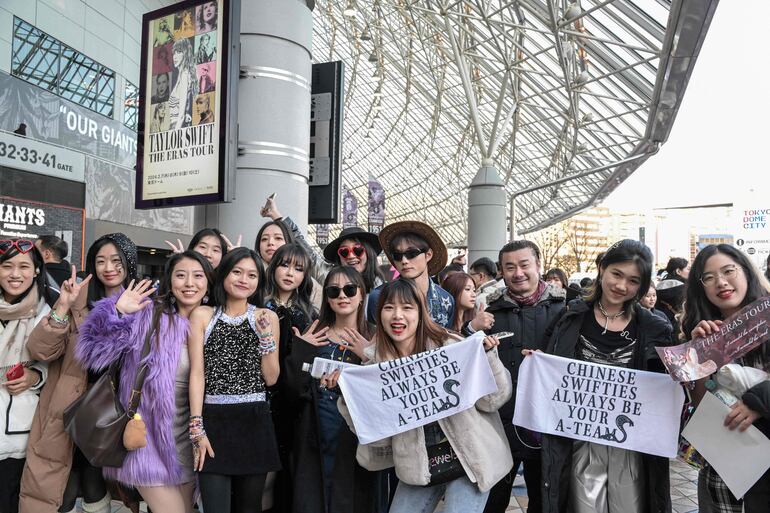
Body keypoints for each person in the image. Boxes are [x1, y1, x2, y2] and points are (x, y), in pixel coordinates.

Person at [336, 279, 513, 513]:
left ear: (421, 313)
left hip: (473, 461)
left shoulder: (450, 346)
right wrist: (351, 398)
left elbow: (494, 400)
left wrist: (489, 358)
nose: (397, 316)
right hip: (418, 467)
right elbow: (378, 438)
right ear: (379, 315)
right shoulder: (375, 367)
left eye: (407, 307)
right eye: (389, 308)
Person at [539, 239, 673, 513]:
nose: (622, 286)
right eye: (616, 274)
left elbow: (668, 385)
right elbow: (550, 367)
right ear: (602, 269)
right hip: (580, 440)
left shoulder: (654, 328)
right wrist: (538, 363)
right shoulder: (570, 317)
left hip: (632, 444)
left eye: (634, 280)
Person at [76, 251, 215, 513]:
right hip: (145, 440)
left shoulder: (214, 322)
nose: (189, 283)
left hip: (189, 443)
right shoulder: (148, 314)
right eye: (180, 275)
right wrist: (116, 312)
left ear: (208, 282)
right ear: (169, 281)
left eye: (198, 276)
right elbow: (91, 353)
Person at [19, 233, 138, 513]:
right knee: (61, 486)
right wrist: (62, 305)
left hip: (116, 415)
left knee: (98, 485)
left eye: (116, 260)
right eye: (100, 261)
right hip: (70, 411)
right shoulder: (77, 298)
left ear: (129, 263)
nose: (108, 267)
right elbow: (41, 351)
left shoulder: (145, 302)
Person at [188, 247, 281, 513]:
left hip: (254, 421)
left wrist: (265, 337)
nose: (244, 279)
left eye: (252, 275)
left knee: (249, 508)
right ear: (224, 274)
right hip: (214, 421)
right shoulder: (203, 315)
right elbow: (197, 373)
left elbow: (271, 378)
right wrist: (197, 427)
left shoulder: (267, 316)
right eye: (237, 272)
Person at [681, 244, 770, 513]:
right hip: (724, 468)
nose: (721, 282)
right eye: (709, 277)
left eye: (728, 270)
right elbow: (702, 405)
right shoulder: (702, 334)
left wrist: (759, 401)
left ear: (746, 272)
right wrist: (698, 356)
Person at [482, 240, 566, 513]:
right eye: (510, 267)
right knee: (492, 501)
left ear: (538, 265)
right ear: (501, 271)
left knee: (544, 502)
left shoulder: (564, 310)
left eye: (524, 265)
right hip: (497, 426)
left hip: (545, 426)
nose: (518, 273)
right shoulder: (487, 313)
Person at [289, 266, 377, 512]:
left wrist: (369, 356)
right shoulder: (315, 334)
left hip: (356, 435)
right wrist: (301, 349)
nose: (342, 296)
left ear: (361, 295)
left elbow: (385, 389)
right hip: (314, 429)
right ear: (326, 297)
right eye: (334, 290)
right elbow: (293, 388)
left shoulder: (375, 337)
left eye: (350, 289)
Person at [263, 243, 316, 512]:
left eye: (298, 269)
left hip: (293, 403)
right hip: (261, 399)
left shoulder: (309, 314)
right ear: (273, 267)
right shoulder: (257, 305)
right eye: (284, 265)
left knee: (288, 473)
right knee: (263, 476)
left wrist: (301, 345)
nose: (289, 273)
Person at [0, 240, 50, 513]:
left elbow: (54, 363)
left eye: (23, 266)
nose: (15, 274)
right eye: (6, 266)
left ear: (36, 270)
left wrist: (35, 376)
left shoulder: (47, 311)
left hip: (17, 430)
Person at [260, 196, 384, 293]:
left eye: (357, 250)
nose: (351, 256)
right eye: (344, 252)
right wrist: (276, 215)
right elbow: (307, 251)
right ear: (339, 257)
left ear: (368, 253)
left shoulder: (379, 286)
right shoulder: (329, 276)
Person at [367, 221, 454, 328]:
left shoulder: (446, 300)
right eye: (397, 255)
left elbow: (448, 342)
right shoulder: (379, 296)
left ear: (428, 255)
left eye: (412, 253)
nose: (404, 261)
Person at [656, 257, 689, 344]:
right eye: (688, 269)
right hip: (678, 328)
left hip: (659, 325)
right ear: (678, 271)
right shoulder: (685, 288)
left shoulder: (658, 286)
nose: (690, 272)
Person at [169, 37, 198, 130]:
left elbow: (181, 115)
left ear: (185, 54)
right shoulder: (181, 75)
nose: (175, 56)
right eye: (174, 53)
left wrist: (173, 138)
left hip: (177, 128)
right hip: (176, 126)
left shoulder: (185, 75)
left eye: (179, 52)